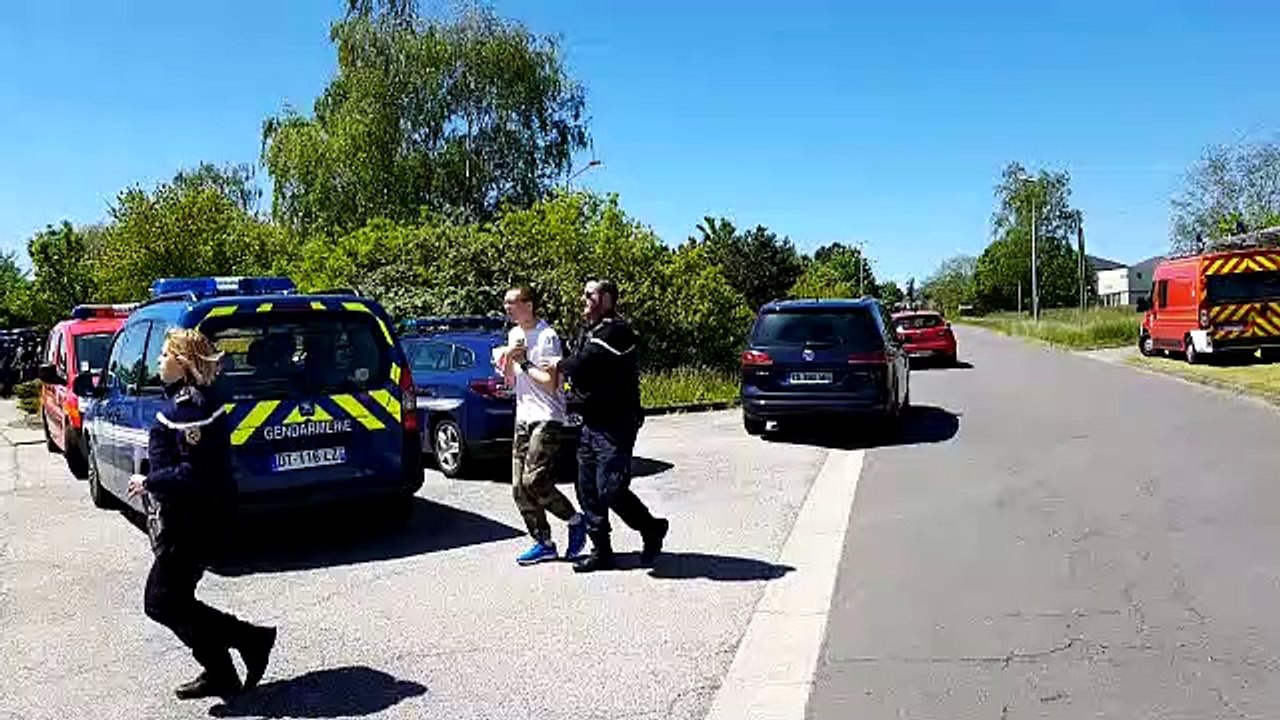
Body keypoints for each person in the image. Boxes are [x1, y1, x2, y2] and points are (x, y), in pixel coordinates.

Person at [127, 328, 275, 700]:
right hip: (192, 520)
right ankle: (222, 670)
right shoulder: (185, 401)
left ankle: (250, 640)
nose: (158, 361)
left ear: (184, 362)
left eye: (165, 354)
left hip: (193, 523)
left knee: (161, 601)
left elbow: (196, 473)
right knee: (174, 602)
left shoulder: (190, 407)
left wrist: (149, 480)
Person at [542, 279, 669, 573]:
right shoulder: (588, 330)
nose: (584, 298)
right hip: (590, 421)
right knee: (586, 488)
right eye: (584, 293)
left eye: (591, 294)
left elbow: (583, 363)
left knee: (610, 488)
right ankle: (602, 551)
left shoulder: (618, 331)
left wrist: (558, 365)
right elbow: (578, 364)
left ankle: (651, 528)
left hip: (617, 423)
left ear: (608, 298)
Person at [499, 285, 588, 565]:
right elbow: (511, 381)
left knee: (534, 479)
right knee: (518, 487)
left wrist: (523, 361)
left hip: (547, 415)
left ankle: (575, 520)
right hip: (523, 416)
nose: (507, 308)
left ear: (529, 305)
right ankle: (544, 542)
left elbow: (551, 384)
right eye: (505, 304)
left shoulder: (547, 336)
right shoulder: (514, 334)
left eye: (512, 303)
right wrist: (505, 362)